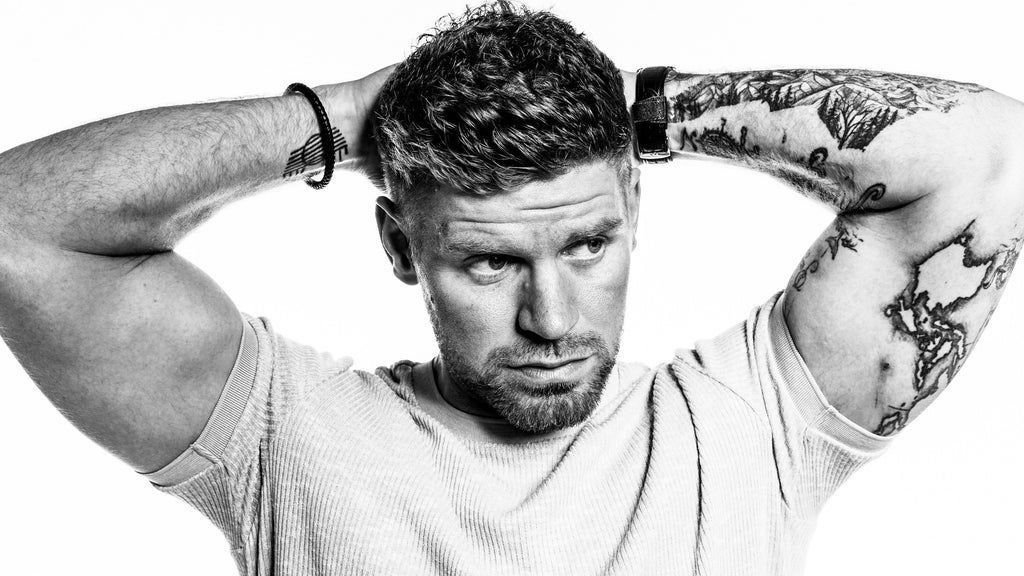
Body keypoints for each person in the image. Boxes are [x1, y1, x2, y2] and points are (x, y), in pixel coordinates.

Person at [0, 0, 1021, 574]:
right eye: (489, 261)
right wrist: (339, 118)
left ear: (632, 213)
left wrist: (650, 111)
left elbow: (991, 154)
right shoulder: (283, 435)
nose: (552, 319)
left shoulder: (749, 426)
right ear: (400, 245)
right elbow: (18, 224)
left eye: (587, 245)